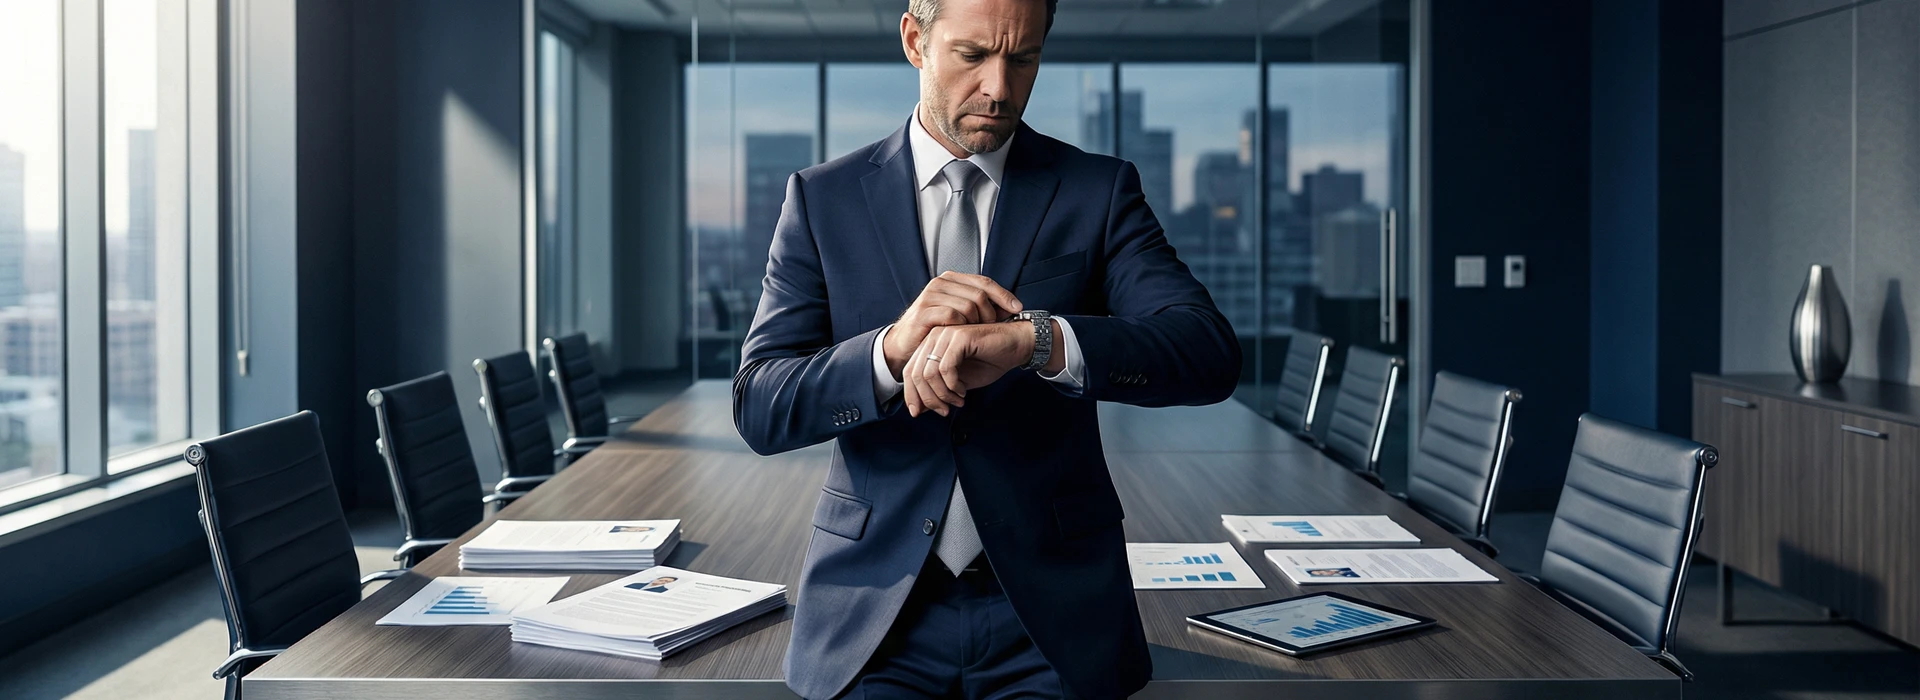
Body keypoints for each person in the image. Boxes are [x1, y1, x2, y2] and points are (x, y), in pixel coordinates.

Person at [731, 0, 1240, 696]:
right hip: (874, 617)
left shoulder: (1098, 190)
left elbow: (1206, 351)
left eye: (1023, 57)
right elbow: (760, 405)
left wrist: (1037, 340)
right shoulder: (822, 201)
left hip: (1053, 618)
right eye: (972, 55)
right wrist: (889, 350)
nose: (1000, 87)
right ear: (916, 40)